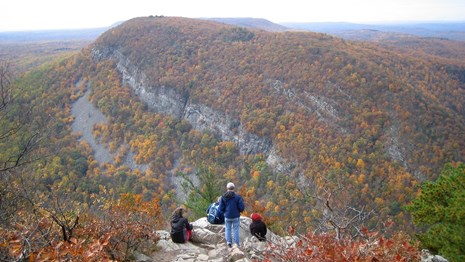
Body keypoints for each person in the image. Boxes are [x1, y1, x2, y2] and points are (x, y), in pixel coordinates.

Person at [218, 182, 245, 248]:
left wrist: (224, 213)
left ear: (227, 188)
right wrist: (239, 211)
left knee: (228, 229)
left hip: (227, 216)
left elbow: (220, 208)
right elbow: (241, 207)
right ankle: (236, 243)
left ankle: (229, 242)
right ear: (233, 188)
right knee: (236, 229)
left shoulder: (223, 197)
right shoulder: (238, 197)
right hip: (236, 216)